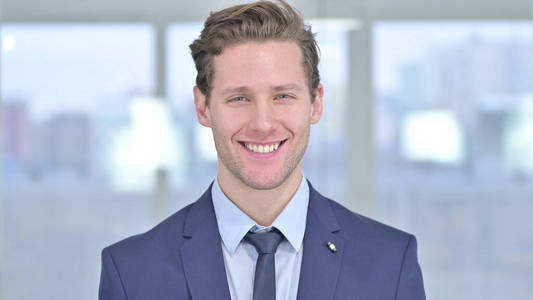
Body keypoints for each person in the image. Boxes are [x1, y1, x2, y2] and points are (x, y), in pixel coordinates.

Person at [98, 1, 426, 299]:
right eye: (239, 98)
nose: (263, 123)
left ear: (315, 104)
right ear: (203, 108)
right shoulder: (132, 273)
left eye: (283, 96)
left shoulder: (390, 264)